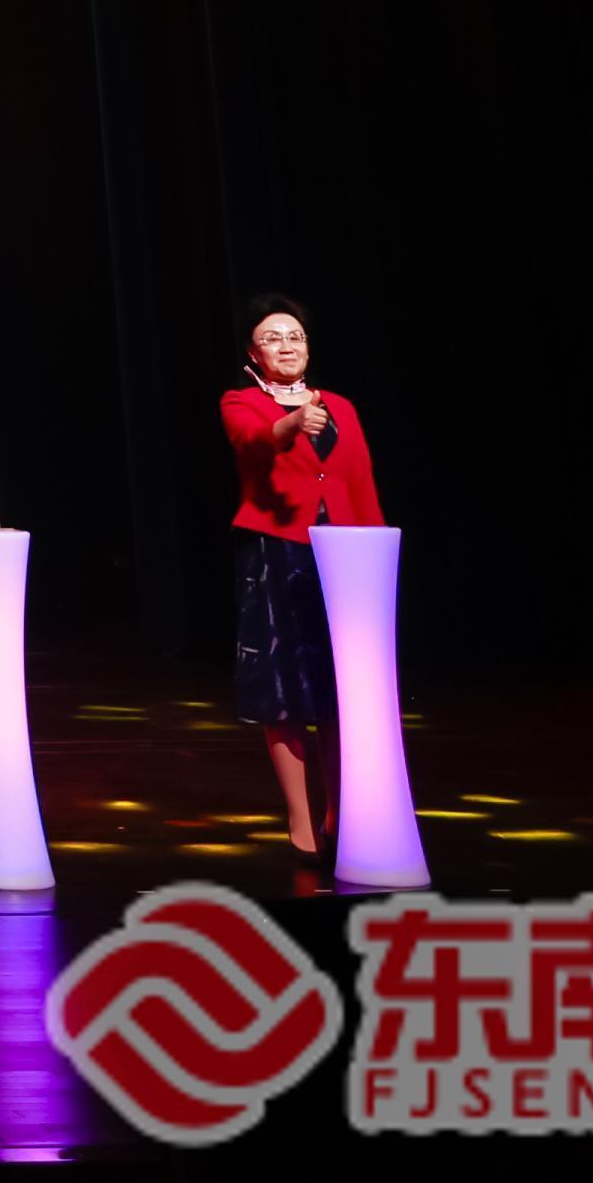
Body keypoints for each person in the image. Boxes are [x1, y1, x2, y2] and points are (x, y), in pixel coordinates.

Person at [221, 296, 381, 869]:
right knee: (284, 693)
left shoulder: (341, 406)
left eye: (295, 336)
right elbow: (252, 441)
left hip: (343, 557)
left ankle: (341, 811)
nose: (287, 345)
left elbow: (359, 481)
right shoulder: (241, 401)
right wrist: (289, 423)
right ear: (253, 353)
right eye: (273, 338)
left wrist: (374, 552)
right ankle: (299, 819)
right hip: (278, 552)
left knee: (341, 692)